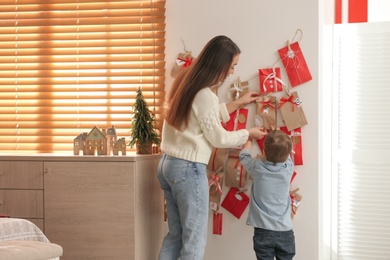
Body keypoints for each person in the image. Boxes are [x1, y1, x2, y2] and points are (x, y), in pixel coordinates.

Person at [157, 35, 267, 260]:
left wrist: (238, 103)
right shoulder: (205, 94)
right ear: (220, 64)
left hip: (168, 165)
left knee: (176, 236)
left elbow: (202, 117)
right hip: (188, 169)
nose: (232, 73)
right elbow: (219, 138)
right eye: (232, 66)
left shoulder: (186, 79)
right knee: (194, 241)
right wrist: (248, 133)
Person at [239, 130, 296, 260]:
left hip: (263, 231)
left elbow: (244, 156)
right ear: (288, 154)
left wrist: (249, 138)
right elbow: (284, 153)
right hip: (285, 231)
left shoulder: (257, 167)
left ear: (263, 152)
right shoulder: (289, 168)